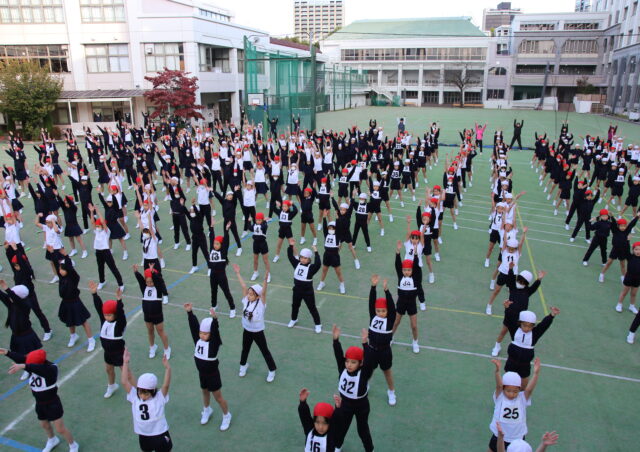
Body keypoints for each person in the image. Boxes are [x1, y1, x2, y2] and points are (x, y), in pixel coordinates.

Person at [0, 348, 80, 452]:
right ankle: (52, 440)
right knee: (44, 425)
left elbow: (34, 367)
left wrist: (24, 366)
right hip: (39, 403)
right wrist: (7, 353)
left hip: (52, 404)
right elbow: (24, 359)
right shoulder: (35, 364)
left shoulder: (51, 370)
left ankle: (73, 445)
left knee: (60, 429)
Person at [183, 303, 232, 431]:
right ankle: (207, 409)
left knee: (218, 397)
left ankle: (227, 415)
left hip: (213, 375)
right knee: (204, 392)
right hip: (202, 374)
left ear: (211, 334)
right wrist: (190, 313)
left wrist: (215, 320)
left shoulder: (214, 344)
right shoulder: (198, 340)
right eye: (201, 333)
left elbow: (215, 332)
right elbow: (193, 327)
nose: (202, 335)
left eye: (205, 334)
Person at [331, 324, 374, 452]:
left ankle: (369, 449)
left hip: (361, 405)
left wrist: (365, 343)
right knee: (340, 427)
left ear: (360, 363)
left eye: (353, 362)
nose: (349, 365)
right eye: (347, 361)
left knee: (362, 430)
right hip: (344, 403)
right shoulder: (342, 368)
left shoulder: (364, 373)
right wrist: (335, 340)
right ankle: (338, 446)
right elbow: (338, 355)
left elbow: (369, 360)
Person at [121, 348, 173, 452]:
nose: (143, 395)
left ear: (153, 390)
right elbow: (124, 382)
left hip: (149, 435)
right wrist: (168, 368)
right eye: (140, 392)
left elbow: (124, 381)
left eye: (146, 393)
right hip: (155, 434)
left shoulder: (136, 397)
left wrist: (125, 362)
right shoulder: (157, 397)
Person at [232, 265, 276, 382]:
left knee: (264, 350)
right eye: (248, 293)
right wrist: (238, 273)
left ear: (257, 296)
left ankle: (272, 370)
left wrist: (265, 280)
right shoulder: (246, 300)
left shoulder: (261, 303)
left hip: (258, 332)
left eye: (251, 294)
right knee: (245, 349)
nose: (248, 295)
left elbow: (264, 292)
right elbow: (243, 286)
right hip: (247, 330)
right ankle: (243, 365)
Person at [487, 358, 541, 452]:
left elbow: (529, 389)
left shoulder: (522, 398)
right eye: (508, 391)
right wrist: (497, 371)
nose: (511, 394)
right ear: (503, 388)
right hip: (499, 435)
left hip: (517, 438)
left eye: (515, 391)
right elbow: (498, 385)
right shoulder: (500, 396)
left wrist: (536, 374)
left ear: (519, 389)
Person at [491, 269, 546, 357]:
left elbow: (534, 287)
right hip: (510, 315)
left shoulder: (528, 291)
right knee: (503, 331)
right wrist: (511, 269)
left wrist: (539, 279)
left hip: (521, 319)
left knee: (518, 335)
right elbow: (510, 278)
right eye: (518, 280)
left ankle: (518, 348)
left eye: (522, 282)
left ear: (526, 283)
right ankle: (497, 346)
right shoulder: (513, 287)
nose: (519, 283)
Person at [505, 308, 559, 387]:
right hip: (511, 362)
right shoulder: (514, 330)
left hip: (524, 365)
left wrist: (552, 315)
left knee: (523, 384)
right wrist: (507, 308)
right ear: (520, 323)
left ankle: (522, 395)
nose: (527, 328)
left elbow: (543, 325)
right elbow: (509, 318)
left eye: (530, 326)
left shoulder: (535, 334)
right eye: (525, 325)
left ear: (533, 326)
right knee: (508, 381)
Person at [89, 281, 126, 398]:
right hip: (108, 353)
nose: (107, 317)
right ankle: (111, 385)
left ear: (115, 314)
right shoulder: (104, 321)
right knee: (109, 370)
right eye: (106, 315)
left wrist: (119, 300)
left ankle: (134, 390)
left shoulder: (119, 324)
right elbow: (99, 307)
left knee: (126, 373)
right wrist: (95, 294)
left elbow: (120, 313)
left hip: (119, 353)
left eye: (110, 315)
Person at [367, 274, 397, 406]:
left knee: (387, 372)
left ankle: (391, 391)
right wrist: (373, 287)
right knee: (369, 370)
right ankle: (366, 384)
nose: (380, 313)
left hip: (384, 351)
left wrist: (386, 291)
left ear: (387, 311)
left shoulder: (390, 320)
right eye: (378, 311)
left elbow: (391, 306)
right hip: (372, 349)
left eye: (383, 311)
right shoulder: (373, 316)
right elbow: (371, 302)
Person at [133, 264, 171, 360]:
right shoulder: (144, 287)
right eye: (148, 282)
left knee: (160, 331)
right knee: (150, 331)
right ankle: (152, 347)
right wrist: (136, 272)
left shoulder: (158, 288)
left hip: (157, 314)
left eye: (151, 282)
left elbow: (159, 280)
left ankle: (167, 349)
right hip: (147, 314)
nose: (149, 284)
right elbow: (140, 280)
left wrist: (152, 272)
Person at [392, 241, 422, 353]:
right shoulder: (400, 276)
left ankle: (415, 342)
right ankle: (391, 338)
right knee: (395, 323)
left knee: (414, 326)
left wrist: (415, 254)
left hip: (411, 304)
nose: (406, 272)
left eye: (409, 270)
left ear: (412, 271)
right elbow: (397, 265)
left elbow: (416, 266)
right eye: (405, 270)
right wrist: (398, 252)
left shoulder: (415, 277)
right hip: (401, 303)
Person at [287, 244, 322, 333]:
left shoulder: (312, 268)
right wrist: (291, 246)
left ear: (309, 259)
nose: (302, 259)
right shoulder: (296, 264)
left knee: (312, 308)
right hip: (297, 291)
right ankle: (293, 319)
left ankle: (318, 324)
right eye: (301, 257)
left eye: (305, 258)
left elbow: (318, 264)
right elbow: (290, 256)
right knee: (295, 306)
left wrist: (316, 251)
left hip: (307, 292)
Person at [298, 388, 341, 452]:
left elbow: (337, 420)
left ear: (330, 422)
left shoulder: (331, 434)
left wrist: (338, 409)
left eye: (324, 423)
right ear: (313, 421)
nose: (320, 427)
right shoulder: (310, 430)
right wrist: (302, 403)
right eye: (317, 422)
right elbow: (304, 416)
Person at [620, 241, 640, 318]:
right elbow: (626, 249)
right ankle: (619, 304)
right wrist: (627, 241)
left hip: (637, 279)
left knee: (634, 294)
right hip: (629, 278)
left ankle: (632, 306)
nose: (638, 251)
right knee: (624, 292)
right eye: (636, 249)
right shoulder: (630, 257)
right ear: (633, 250)